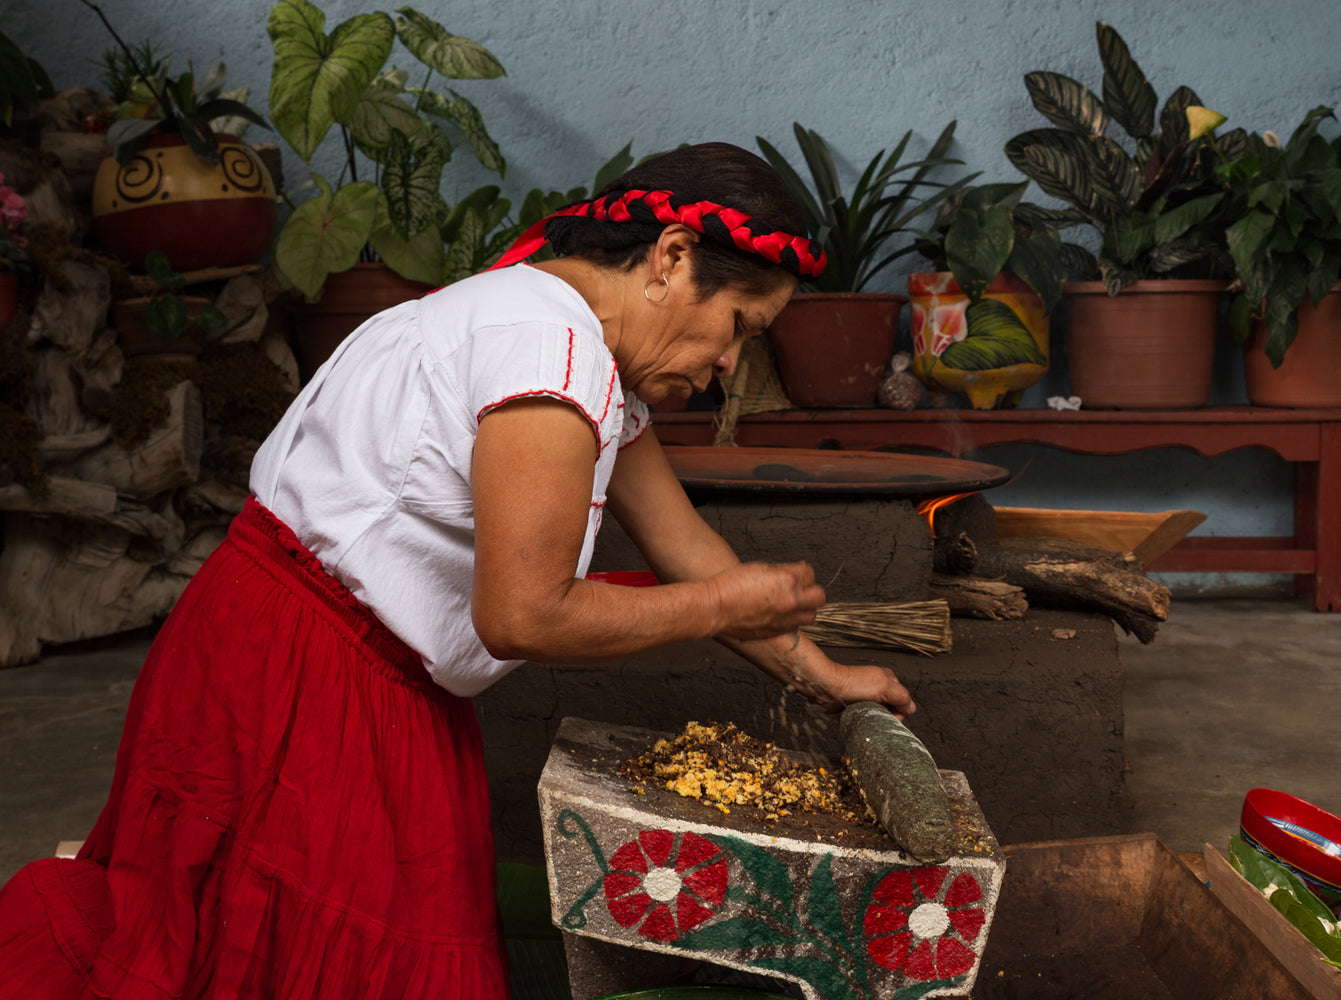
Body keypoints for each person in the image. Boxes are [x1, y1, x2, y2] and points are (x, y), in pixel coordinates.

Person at [0, 142, 915, 999]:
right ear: (672, 258)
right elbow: (523, 615)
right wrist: (717, 602)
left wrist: (823, 675)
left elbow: (685, 546)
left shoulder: (536, 322)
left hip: (258, 639)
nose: (728, 363)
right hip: (311, 683)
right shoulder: (547, 358)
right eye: (738, 325)